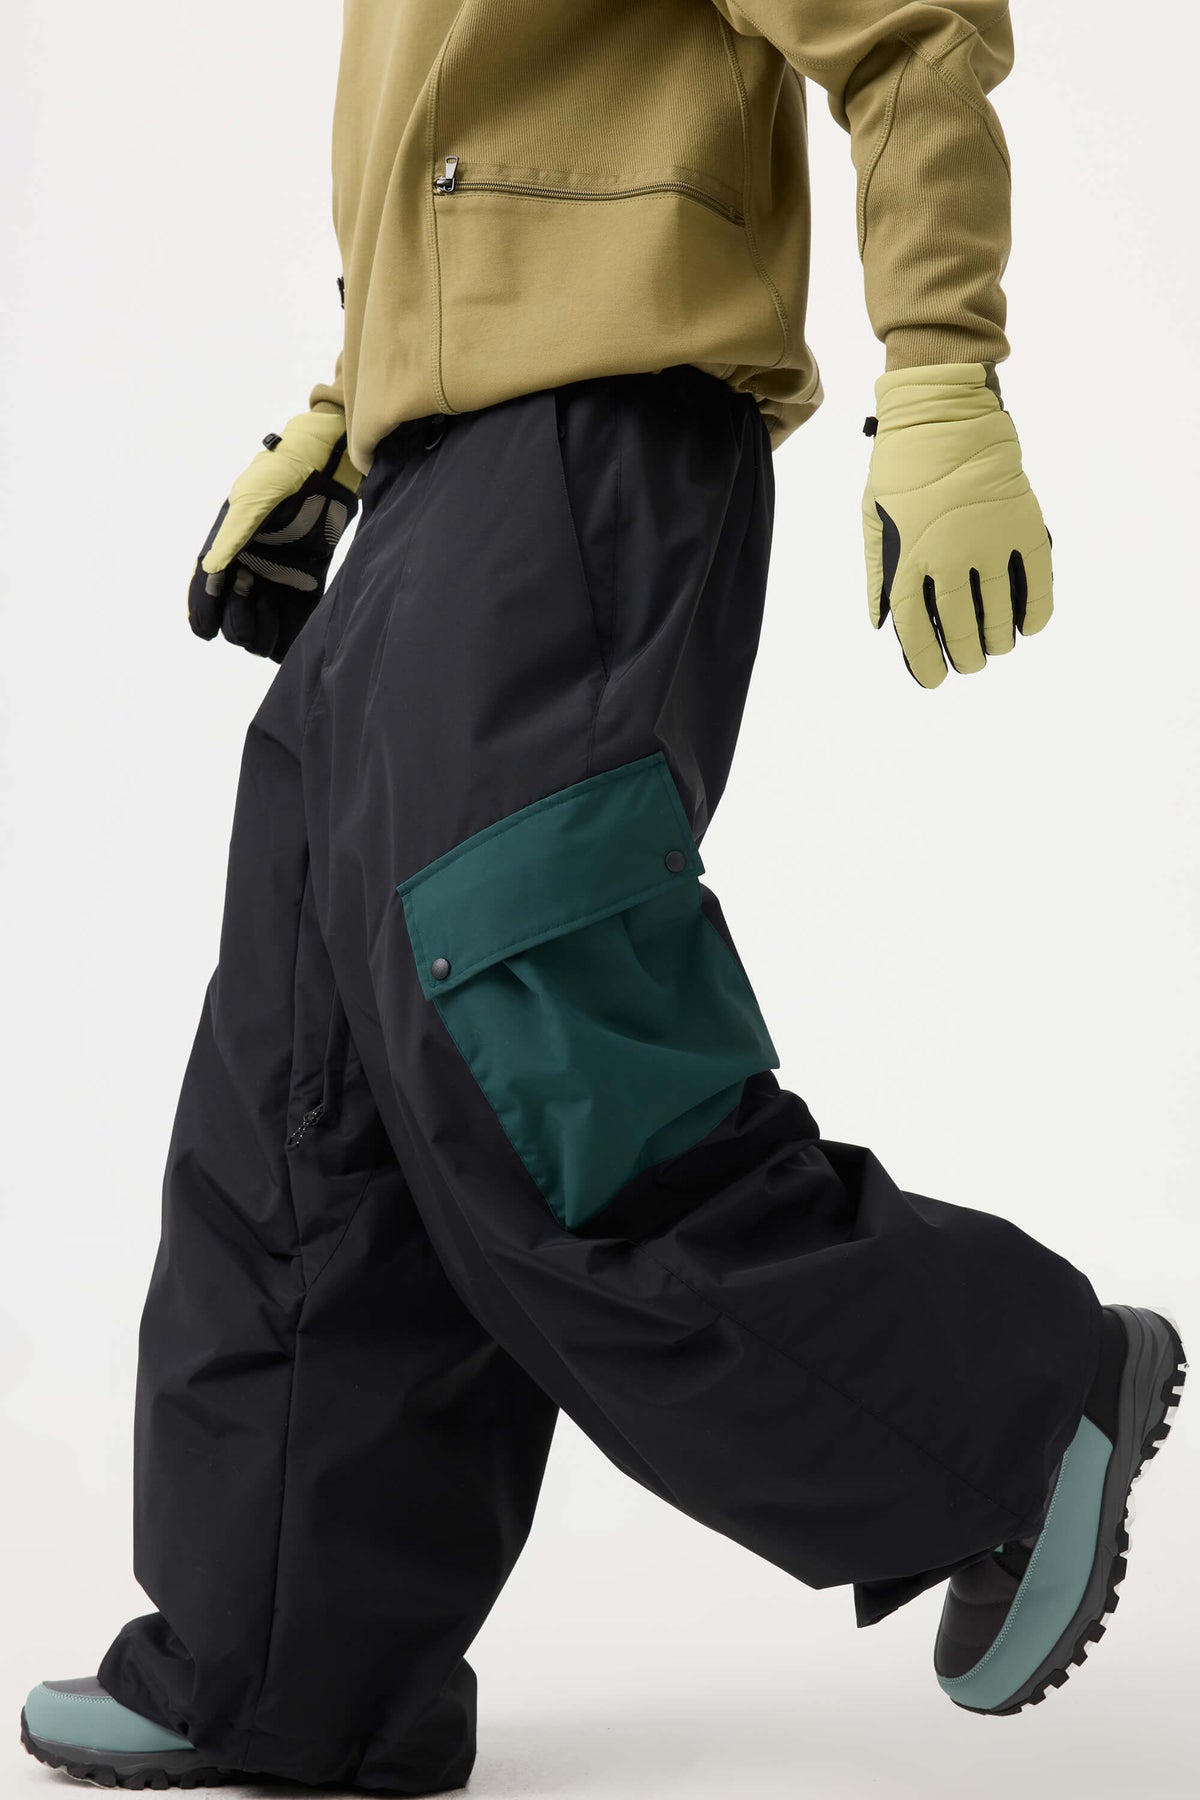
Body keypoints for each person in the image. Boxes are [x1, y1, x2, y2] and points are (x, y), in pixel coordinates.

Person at [20, 2, 1186, 1793]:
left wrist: (943, 366)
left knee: (532, 1053)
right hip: (431, 482)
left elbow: (907, 33)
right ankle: (290, 1670)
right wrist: (348, 416)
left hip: (590, 448)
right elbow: (484, 135)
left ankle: (1011, 1413)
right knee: (304, 1088)